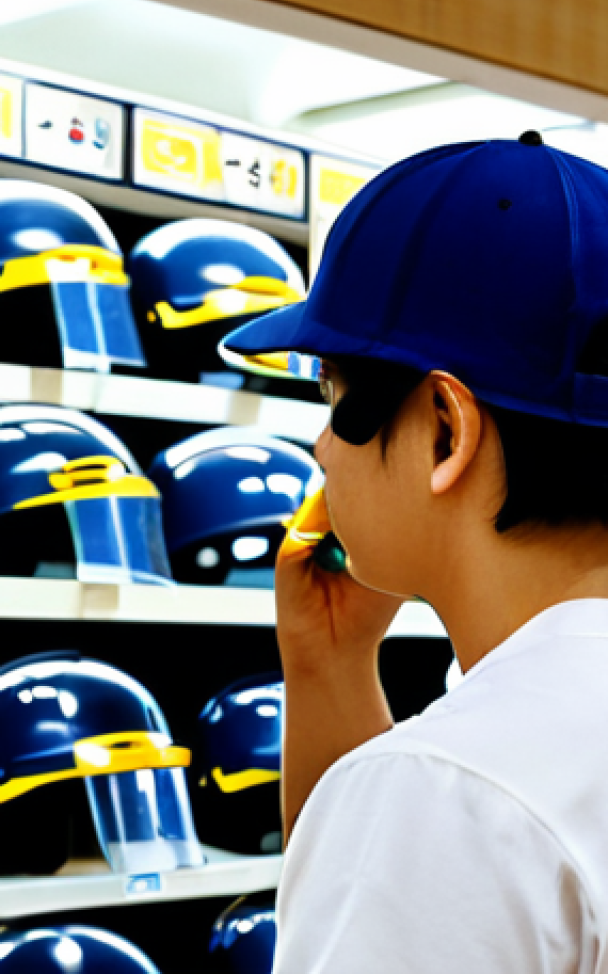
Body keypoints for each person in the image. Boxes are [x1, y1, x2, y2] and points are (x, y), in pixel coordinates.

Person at [219, 131, 608, 973]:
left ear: (443, 431)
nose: (323, 448)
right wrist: (330, 665)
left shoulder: (446, 792)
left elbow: (404, 850)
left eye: (331, 394)